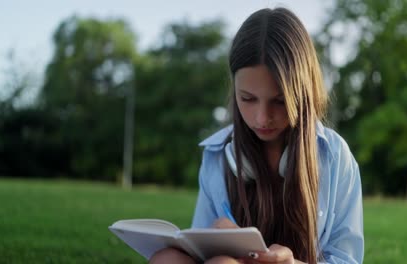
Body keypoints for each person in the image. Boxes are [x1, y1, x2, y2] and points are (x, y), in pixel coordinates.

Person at [150, 7, 363, 264]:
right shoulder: (217, 156)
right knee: (167, 258)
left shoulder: (335, 156)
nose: (262, 118)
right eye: (248, 99)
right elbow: (198, 248)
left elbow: (347, 260)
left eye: (280, 101)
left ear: (303, 94)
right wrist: (213, 237)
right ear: (234, 89)